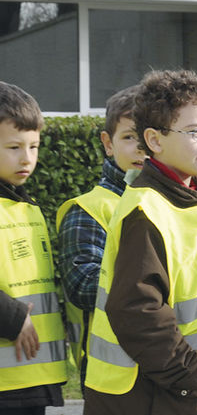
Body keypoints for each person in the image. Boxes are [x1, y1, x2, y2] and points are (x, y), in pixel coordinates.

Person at [81, 69, 197, 415]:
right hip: (153, 403)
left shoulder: (189, 197)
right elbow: (135, 309)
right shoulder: (148, 210)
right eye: (194, 132)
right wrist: (196, 378)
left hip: (174, 399)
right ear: (153, 140)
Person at [56, 85, 145, 389]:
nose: (141, 148)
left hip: (176, 363)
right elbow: (83, 286)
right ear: (108, 143)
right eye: (130, 137)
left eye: (149, 136)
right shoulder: (88, 210)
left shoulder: (188, 203)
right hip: (111, 373)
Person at [0, 81, 67, 415]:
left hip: (30, 378)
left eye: (33, 147)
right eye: (13, 148)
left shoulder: (26, 207)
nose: (27, 158)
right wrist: (13, 317)